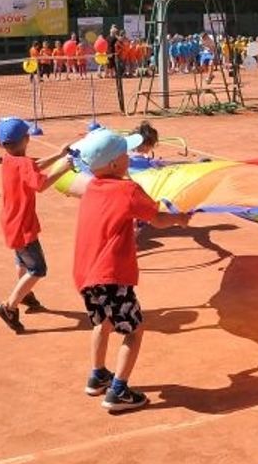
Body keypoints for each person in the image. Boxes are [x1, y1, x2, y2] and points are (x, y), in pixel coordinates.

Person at [73, 129, 190, 412]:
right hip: (111, 274)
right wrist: (181, 219)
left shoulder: (91, 187)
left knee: (103, 322)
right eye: (126, 154)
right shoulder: (127, 189)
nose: (131, 156)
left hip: (87, 274)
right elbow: (158, 219)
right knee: (134, 331)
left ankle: (98, 374)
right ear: (114, 164)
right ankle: (118, 391)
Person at [0, 118, 74, 334]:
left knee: (21, 260)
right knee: (38, 269)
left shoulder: (9, 160)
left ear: (1, 145)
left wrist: (58, 155)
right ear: (27, 139)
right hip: (22, 224)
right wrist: (64, 167)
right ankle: (9, 306)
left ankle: (25, 293)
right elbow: (41, 183)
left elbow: (33, 166)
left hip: (11, 221)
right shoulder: (24, 164)